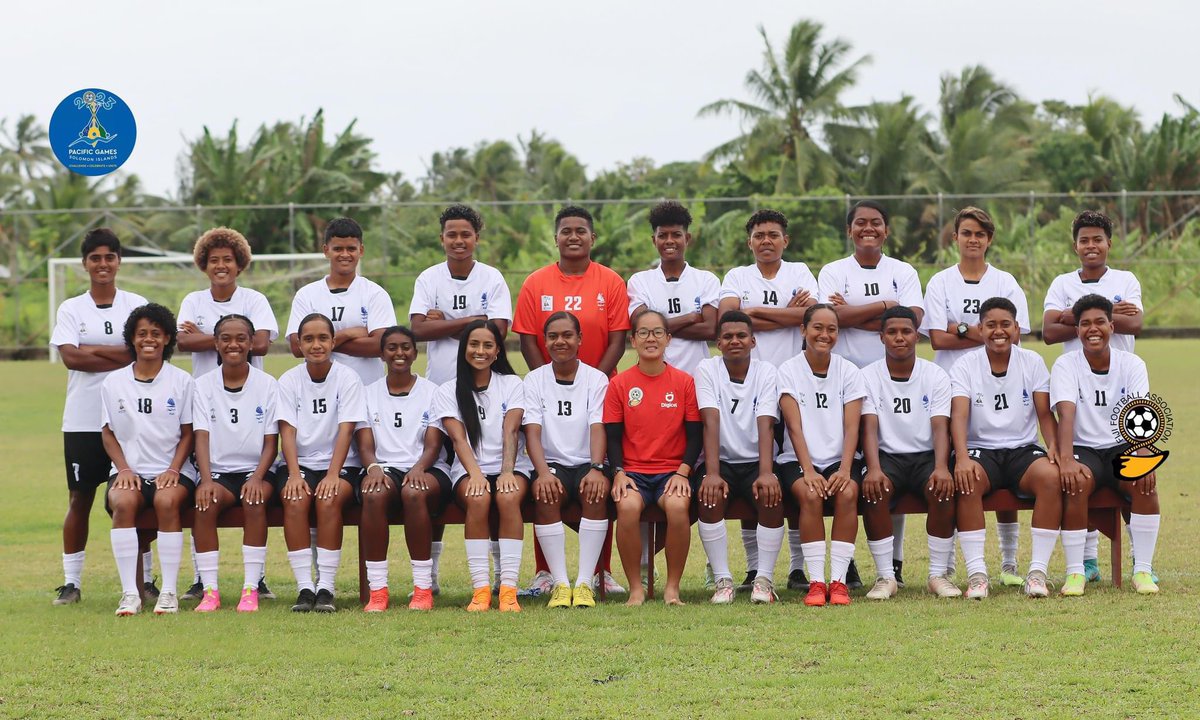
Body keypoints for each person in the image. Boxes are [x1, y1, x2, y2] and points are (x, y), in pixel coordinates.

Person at [513, 205, 629, 596]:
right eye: (566, 231)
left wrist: (592, 377)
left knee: (599, 479)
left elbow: (617, 338)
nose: (574, 236)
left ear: (593, 238)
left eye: (581, 230)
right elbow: (529, 337)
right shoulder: (536, 282)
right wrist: (546, 377)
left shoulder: (611, 281)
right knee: (545, 484)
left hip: (598, 390)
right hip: (550, 386)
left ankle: (601, 571)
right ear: (556, 237)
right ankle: (546, 573)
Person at [921, 207, 1031, 588]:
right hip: (951, 388)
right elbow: (938, 338)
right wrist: (983, 331)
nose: (973, 239)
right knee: (957, 473)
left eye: (980, 234)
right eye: (966, 233)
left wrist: (964, 327)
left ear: (989, 239)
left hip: (997, 385)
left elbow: (1013, 336)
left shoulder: (1005, 281)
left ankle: (1010, 561)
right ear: (955, 237)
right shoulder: (940, 283)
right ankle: (948, 564)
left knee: (1006, 463)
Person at [819, 200, 923, 588]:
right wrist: (885, 305)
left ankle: (892, 564)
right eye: (860, 223)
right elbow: (829, 319)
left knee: (884, 473)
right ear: (850, 231)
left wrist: (854, 314)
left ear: (886, 230)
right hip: (841, 383)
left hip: (888, 379)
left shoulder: (903, 270)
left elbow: (912, 320)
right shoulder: (833, 270)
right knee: (839, 473)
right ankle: (843, 564)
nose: (868, 228)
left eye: (876, 223)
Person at [409, 204, 512, 593]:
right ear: (442, 239)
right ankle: (430, 576)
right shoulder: (429, 277)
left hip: (487, 391)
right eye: (451, 234)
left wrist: (447, 324)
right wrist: (473, 321)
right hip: (441, 393)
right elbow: (418, 329)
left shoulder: (492, 277)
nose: (458, 241)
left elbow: (497, 331)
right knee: (438, 484)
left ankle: (503, 575)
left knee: (495, 488)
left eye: (465, 234)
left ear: (476, 238)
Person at [716, 208, 818, 593]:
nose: (766, 241)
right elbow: (728, 321)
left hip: (793, 384)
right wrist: (787, 313)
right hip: (750, 383)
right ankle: (755, 567)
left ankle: (795, 567)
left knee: (787, 473)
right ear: (749, 241)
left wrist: (754, 311)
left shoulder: (801, 271)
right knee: (754, 473)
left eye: (773, 235)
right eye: (759, 235)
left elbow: (810, 319)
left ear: (785, 241)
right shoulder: (736, 276)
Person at [177, 226, 279, 602]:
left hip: (249, 400)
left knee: (254, 498)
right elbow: (180, 340)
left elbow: (264, 345)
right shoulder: (193, 299)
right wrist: (226, 338)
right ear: (205, 265)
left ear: (239, 265)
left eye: (228, 260)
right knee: (201, 494)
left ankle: (258, 579)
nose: (221, 265)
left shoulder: (255, 299)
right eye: (214, 260)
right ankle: (202, 581)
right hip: (206, 401)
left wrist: (211, 335)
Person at [1042, 210, 1144, 582]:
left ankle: (1139, 560)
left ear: (1109, 244)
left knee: (1137, 476)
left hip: (1119, 389)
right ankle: (1087, 562)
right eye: (1084, 240)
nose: (1091, 246)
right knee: (1077, 476)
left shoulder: (1126, 278)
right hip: (1077, 389)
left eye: (1097, 239)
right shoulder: (1061, 282)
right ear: (1075, 246)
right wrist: (1093, 312)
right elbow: (1048, 332)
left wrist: (1077, 314)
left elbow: (1133, 323)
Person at [50, 229, 148, 606]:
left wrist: (96, 349)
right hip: (83, 419)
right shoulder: (71, 308)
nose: (103, 264)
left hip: (133, 420)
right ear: (85, 263)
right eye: (95, 258)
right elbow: (71, 358)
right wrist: (120, 352)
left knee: (140, 497)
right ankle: (71, 582)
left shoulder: (136, 304)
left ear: (119, 261)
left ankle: (148, 579)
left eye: (110, 257)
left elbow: (145, 352)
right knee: (80, 499)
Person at [950, 297, 1062, 599]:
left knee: (1052, 478)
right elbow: (958, 416)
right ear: (979, 328)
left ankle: (1037, 573)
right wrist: (960, 457)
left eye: (1005, 325)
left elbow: (1044, 414)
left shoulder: (1032, 361)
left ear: (1016, 328)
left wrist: (1054, 448)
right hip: (980, 450)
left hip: (1022, 450)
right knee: (967, 478)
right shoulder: (965, 365)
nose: (998, 331)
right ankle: (977, 575)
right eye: (990, 325)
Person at [1051, 294, 1160, 595]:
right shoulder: (1065, 364)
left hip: (1121, 446)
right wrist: (1067, 459)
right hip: (1084, 448)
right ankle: (1076, 573)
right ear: (1077, 330)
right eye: (1085, 323)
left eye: (1100, 322)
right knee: (1075, 481)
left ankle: (1144, 571)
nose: (1092, 329)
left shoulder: (1133, 363)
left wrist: (1143, 454)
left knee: (1144, 479)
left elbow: (1140, 413)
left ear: (1112, 326)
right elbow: (1066, 415)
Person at [102, 303, 196, 615]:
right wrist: (124, 469)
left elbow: (188, 433)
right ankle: (131, 593)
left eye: (156, 333)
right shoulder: (113, 382)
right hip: (129, 470)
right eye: (142, 333)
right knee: (124, 502)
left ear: (168, 338)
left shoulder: (181, 380)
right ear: (132, 338)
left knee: (167, 502)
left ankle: (168, 591)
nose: (149, 339)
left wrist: (173, 469)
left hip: (173, 470)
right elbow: (108, 432)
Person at [433, 320, 532, 612]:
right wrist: (475, 473)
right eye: (474, 344)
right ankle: (480, 590)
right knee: (478, 499)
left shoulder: (512, 384)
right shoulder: (447, 390)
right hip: (468, 468)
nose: (480, 351)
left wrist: (506, 471)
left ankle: (509, 590)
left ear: (498, 351)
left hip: (510, 465)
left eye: (488, 345)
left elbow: (511, 431)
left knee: (508, 496)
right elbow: (457, 438)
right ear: (464, 349)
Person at [606, 309, 702, 606]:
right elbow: (611, 436)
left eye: (658, 332)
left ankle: (672, 588)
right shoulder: (619, 384)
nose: (651, 338)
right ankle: (636, 588)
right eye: (644, 333)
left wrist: (683, 472)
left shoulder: (684, 382)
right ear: (632, 340)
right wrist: (619, 472)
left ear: (668, 339)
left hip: (671, 472)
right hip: (633, 473)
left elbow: (695, 434)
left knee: (677, 507)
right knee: (628, 507)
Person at [859, 307, 955, 600]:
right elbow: (869, 428)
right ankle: (886, 576)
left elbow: (940, 427)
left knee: (943, 488)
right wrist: (873, 469)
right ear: (881, 337)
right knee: (874, 490)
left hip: (926, 455)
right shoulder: (867, 375)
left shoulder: (935, 375)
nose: (899, 338)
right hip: (887, 456)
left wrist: (941, 467)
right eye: (892, 332)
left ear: (917, 335)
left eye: (906, 331)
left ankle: (938, 574)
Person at [356, 326, 453, 611]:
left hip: (428, 467)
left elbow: (434, 445)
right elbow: (364, 445)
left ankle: (423, 588)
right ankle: (378, 591)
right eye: (392, 347)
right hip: (383, 467)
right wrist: (373, 468)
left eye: (406, 347)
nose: (399, 353)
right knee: (373, 494)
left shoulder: (433, 392)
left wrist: (419, 467)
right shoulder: (367, 393)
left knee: (414, 492)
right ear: (382, 353)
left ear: (415, 352)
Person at [276, 313, 367, 613]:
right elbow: (287, 431)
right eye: (309, 339)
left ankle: (326, 586)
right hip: (299, 464)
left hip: (341, 465)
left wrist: (332, 474)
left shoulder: (348, 377)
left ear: (333, 341)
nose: (316, 345)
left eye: (323, 338)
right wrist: (292, 474)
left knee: (328, 500)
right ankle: (305, 587)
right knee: (295, 498)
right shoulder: (289, 380)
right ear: (299, 344)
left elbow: (346, 429)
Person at [776, 304, 867, 607]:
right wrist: (809, 471)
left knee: (848, 492)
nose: (824, 335)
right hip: (798, 460)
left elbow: (853, 427)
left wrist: (844, 469)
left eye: (831, 329)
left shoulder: (849, 370)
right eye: (817, 327)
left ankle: (838, 582)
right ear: (803, 330)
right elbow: (794, 426)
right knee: (811, 495)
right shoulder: (789, 369)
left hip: (839, 460)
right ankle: (816, 582)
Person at [190, 315, 280, 613]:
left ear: (252, 343)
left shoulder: (268, 385)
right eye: (226, 338)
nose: (234, 344)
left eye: (241, 338)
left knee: (254, 502)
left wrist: (257, 477)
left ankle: (251, 588)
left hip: (258, 472)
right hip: (218, 473)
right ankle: (210, 590)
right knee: (205, 503)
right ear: (216, 344)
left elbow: (271, 442)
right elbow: (200, 437)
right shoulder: (202, 386)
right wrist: (205, 480)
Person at [693, 311, 782, 604]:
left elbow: (766, 421)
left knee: (771, 495)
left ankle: (764, 580)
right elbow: (711, 420)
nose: (735, 341)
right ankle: (723, 580)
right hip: (723, 462)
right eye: (728, 336)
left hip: (758, 461)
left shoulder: (767, 372)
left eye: (741, 336)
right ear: (718, 342)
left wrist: (767, 472)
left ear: (753, 342)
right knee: (709, 495)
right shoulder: (707, 369)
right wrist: (712, 473)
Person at [523, 312, 611, 608]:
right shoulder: (535, 380)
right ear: (545, 342)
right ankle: (561, 584)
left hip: (588, 462)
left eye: (567, 335)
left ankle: (585, 583)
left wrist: (598, 468)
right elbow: (532, 432)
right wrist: (543, 473)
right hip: (553, 465)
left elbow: (597, 426)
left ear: (579, 340)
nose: (560, 341)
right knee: (545, 494)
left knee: (595, 492)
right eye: (553, 336)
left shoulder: (596, 378)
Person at [285, 217, 397, 385]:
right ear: (326, 250)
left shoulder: (375, 293)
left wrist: (317, 344)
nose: (345, 254)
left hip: (366, 389)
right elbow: (296, 347)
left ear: (361, 250)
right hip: (321, 390)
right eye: (338, 249)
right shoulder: (306, 294)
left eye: (351, 248)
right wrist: (348, 334)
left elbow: (380, 346)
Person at [626, 201, 719, 375]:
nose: (669, 241)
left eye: (676, 234)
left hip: (697, 379)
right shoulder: (639, 281)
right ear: (654, 240)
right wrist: (690, 318)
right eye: (663, 235)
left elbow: (710, 330)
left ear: (687, 238)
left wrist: (657, 328)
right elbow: (641, 330)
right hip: (653, 379)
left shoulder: (707, 280)